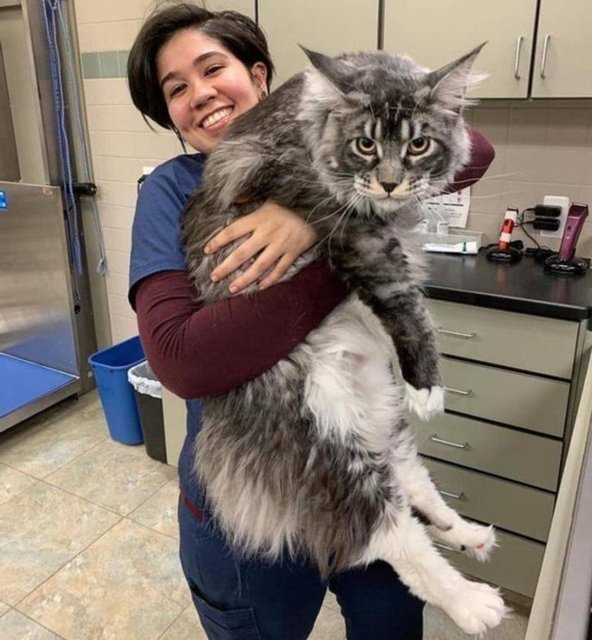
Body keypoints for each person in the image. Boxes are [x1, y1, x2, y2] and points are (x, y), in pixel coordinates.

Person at [127, 4, 495, 639]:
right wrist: (343, 247)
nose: (200, 94)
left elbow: (474, 148)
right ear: (169, 112)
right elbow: (181, 362)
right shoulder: (168, 188)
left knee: (392, 623)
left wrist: (309, 217)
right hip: (261, 483)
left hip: (363, 460)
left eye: (213, 68)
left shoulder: (341, 137)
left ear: (259, 75)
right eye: (176, 88)